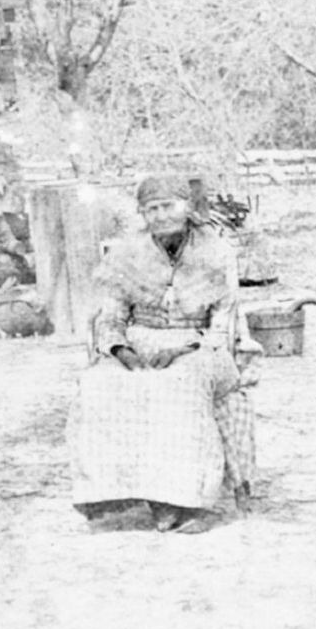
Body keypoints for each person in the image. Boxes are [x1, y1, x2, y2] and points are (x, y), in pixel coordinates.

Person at [68, 174, 259, 533]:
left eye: (168, 206)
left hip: (205, 346)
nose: (160, 216)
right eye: (151, 209)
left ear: (187, 207)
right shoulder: (127, 252)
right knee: (98, 384)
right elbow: (111, 316)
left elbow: (224, 325)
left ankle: (188, 502)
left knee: (179, 385)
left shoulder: (216, 250)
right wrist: (121, 350)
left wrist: (184, 347)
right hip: (140, 341)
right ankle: (120, 495)